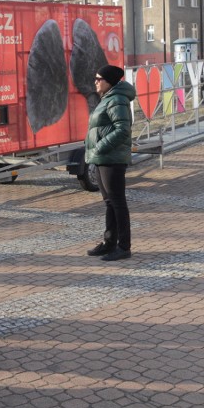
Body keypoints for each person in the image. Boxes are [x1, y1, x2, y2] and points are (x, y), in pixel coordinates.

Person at [84, 65, 136, 262]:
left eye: (99, 78)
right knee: (109, 202)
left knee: (118, 202)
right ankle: (109, 243)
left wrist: (100, 147)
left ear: (110, 81)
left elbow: (123, 129)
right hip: (102, 157)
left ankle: (123, 246)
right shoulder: (108, 98)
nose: (95, 81)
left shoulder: (116, 100)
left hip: (111, 158)